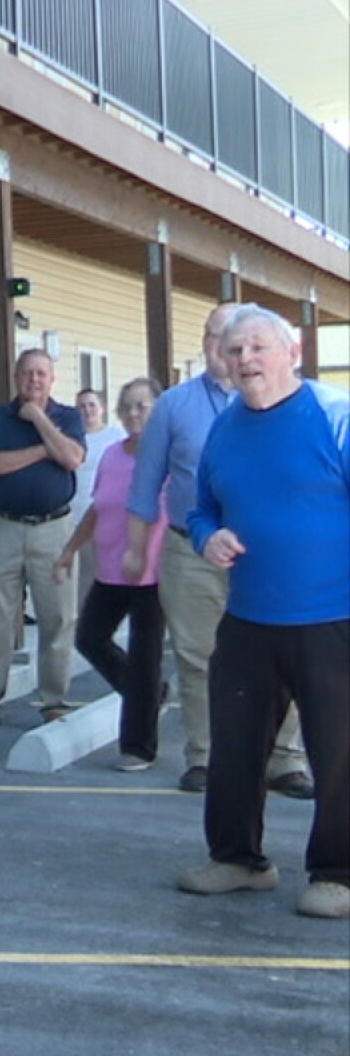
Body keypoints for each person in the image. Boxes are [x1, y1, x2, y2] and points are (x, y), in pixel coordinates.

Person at [173, 306, 348, 921]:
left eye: (257, 347)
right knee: (235, 748)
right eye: (234, 349)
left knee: (339, 753)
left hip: (332, 618)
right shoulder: (225, 429)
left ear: (291, 352)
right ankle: (238, 860)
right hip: (248, 619)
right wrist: (207, 537)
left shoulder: (334, 415)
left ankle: (338, 873)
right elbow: (200, 510)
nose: (245, 359)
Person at [125, 304, 313, 797]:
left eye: (249, 342)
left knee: (284, 654)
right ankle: (206, 756)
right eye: (220, 338)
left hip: (270, 558)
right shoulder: (174, 405)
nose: (232, 350)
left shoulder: (297, 402)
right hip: (191, 552)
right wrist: (135, 551)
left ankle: (283, 758)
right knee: (198, 656)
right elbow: (146, 484)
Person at [0, 349, 85, 729]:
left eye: (41, 373)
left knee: (58, 617)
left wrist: (40, 420)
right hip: (4, 529)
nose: (34, 379)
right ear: (17, 377)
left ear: (52, 379)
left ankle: (54, 701)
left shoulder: (69, 417)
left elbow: (72, 458)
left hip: (54, 530)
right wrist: (43, 450)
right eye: (27, 372)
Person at [54, 378, 166, 773]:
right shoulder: (112, 456)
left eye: (142, 406)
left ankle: (138, 747)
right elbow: (98, 507)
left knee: (145, 656)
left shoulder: (166, 457)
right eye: (127, 406)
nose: (133, 413)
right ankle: (149, 695)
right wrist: (69, 550)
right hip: (110, 570)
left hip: (151, 574)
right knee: (89, 638)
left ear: (158, 410)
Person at [67, 386, 126, 601]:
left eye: (92, 405)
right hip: (73, 517)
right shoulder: (70, 438)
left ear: (102, 408)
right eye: (81, 406)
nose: (87, 410)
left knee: (105, 574)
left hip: (106, 518)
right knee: (79, 578)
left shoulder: (116, 437)